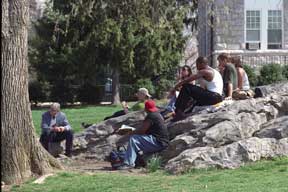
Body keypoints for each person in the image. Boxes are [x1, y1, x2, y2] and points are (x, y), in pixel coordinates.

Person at [117, 100, 169, 170]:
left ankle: (128, 164)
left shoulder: (151, 115)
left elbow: (142, 130)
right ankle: (137, 162)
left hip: (158, 142)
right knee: (137, 142)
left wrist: (128, 132)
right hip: (161, 142)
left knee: (134, 139)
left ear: (146, 109)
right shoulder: (157, 114)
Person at [172, 56, 223, 121]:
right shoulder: (213, 70)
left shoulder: (205, 71)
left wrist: (177, 86)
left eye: (197, 64)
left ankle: (179, 112)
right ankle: (182, 113)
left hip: (213, 97)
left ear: (202, 64)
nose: (196, 67)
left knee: (187, 87)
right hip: (215, 97)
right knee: (194, 104)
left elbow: (188, 80)